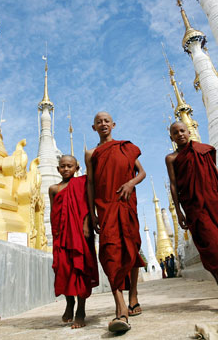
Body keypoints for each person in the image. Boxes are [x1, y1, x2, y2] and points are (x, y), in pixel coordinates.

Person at [165, 122, 218, 314]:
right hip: (194, 207)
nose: (179, 134)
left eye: (182, 131)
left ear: (189, 132)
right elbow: (173, 185)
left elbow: (216, 173)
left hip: (214, 201)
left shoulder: (202, 151)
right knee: (211, 246)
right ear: (171, 137)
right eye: (175, 133)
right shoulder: (171, 158)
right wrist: (178, 211)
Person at [85, 111, 146, 333]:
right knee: (110, 252)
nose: (103, 124)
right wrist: (92, 213)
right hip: (106, 205)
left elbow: (142, 172)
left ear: (113, 125)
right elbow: (91, 183)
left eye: (106, 121)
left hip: (126, 202)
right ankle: (120, 307)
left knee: (131, 249)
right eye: (98, 122)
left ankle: (134, 296)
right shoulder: (92, 153)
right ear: (94, 128)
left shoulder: (124, 147)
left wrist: (130, 183)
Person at [49, 155, 99, 329]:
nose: (66, 169)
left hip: (79, 231)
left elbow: (88, 204)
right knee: (63, 269)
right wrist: (54, 234)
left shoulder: (83, 183)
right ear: (58, 169)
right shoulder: (54, 189)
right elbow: (53, 212)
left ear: (77, 168)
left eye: (70, 166)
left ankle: (81, 311)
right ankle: (69, 303)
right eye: (62, 166)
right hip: (61, 234)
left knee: (80, 268)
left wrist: (87, 224)